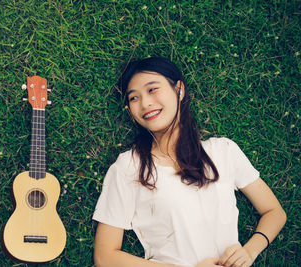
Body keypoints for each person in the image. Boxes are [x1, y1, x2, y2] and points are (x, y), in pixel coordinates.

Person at [92, 57, 286, 267]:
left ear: (179, 90)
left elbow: (274, 212)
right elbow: (105, 257)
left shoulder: (223, 151)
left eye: (152, 89)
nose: (145, 103)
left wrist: (250, 250)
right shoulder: (128, 167)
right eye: (133, 98)